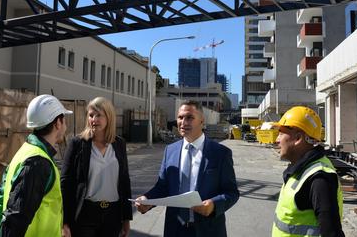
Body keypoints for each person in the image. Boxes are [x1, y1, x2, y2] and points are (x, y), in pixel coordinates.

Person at [135, 100, 239, 237]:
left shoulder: (220, 153)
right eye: (180, 117)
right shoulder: (170, 151)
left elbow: (231, 192)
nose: (183, 122)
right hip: (175, 229)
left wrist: (214, 205)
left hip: (208, 230)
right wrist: (147, 199)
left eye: (189, 117)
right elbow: (163, 187)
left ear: (202, 121)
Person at [0, 94, 71, 237]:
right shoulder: (38, 162)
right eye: (64, 121)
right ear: (58, 123)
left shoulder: (26, 151)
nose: (65, 126)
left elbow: (1, 198)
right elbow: (16, 217)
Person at [61, 97, 132, 237]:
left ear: (109, 117)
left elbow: (125, 182)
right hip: (84, 214)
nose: (94, 119)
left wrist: (126, 218)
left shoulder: (119, 144)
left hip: (113, 215)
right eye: (91, 115)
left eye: (99, 115)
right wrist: (64, 222)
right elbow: (66, 183)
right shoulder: (77, 143)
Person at [271, 106, 344, 237]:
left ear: (298, 139)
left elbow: (332, 233)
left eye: (281, 133)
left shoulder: (319, 179)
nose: (276, 139)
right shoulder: (300, 171)